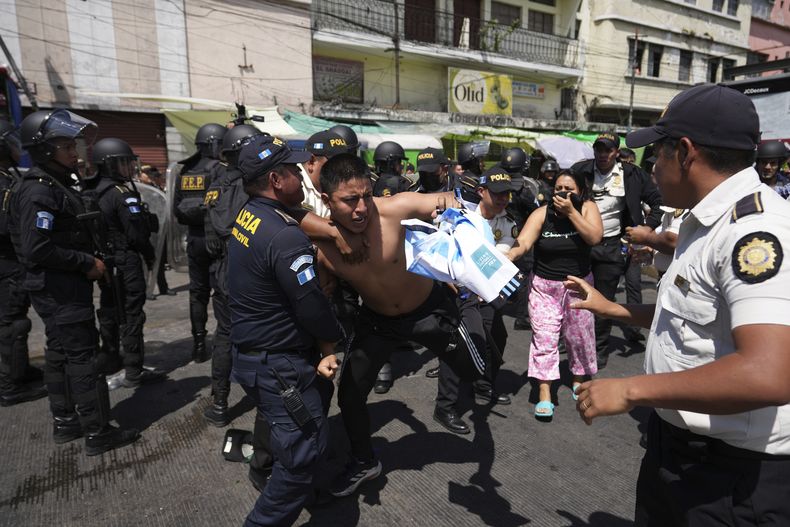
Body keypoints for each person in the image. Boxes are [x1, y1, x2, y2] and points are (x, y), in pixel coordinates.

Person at [567, 83, 790, 525]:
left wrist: (631, 390)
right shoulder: (702, 219)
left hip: (731, 475)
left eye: (658, 153)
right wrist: (613, 309)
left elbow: (769, 373)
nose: (651, 168)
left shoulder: (755, 232)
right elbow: (698, 321)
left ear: (685, 152)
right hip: (679, 450)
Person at [308, 153, 490, 496]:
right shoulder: (322, 248)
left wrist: (451, 213)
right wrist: (333, 231)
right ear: (326, 199)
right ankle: (364, 462)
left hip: (429, 313)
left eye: (366, 195)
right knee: (349, 396)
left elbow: (454, 199)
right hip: (377, 322)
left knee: (477, 370)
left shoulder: (392, 208)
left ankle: (468, 313)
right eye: (350, 201)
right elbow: (286, 219)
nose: (362, 208)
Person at [228, 134, 344, 526]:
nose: (301, 175)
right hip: (278, 363)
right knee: (302, 453)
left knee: (293, 433)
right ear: (276, 180)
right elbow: (311, 302)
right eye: (294, 170)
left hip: (255, 352)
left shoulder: (251, 214)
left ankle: (286, 478)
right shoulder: (285, 236)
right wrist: (331, 344)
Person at [10, 109, 139, 454]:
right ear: (44, 150)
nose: (74, 151)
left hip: (57, 288)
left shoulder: (54, 183)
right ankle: (98, 431)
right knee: (84, 358)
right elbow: (37, 247)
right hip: (60, 289)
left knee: (59, 354)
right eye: (65, 145)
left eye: (73, 143)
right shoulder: (39, 191)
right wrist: (86, 262)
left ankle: (66, 421)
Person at [508, 169, 602, 418]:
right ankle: (545, 392)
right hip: (544, 288)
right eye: (559, 188)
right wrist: (509, 254)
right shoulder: (542, 213)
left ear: (580, 191)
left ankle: (579, 378)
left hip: (578, 286)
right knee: (544, 338)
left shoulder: (587, 208)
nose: (563, 193)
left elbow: (594, 237)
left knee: (578, 337)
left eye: (569, 189)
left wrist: (571, 212)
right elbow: (525, 242)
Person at [434, 167, 520, 430]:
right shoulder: (459, 216)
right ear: (481, 192)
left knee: (496, 337)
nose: (502, 198)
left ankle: (483, 386)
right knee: (458, 345)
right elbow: (439, 248)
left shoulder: (507, 221)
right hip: (455, 291)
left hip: (487, 291)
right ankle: (445, 407)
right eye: (496, 193)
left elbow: (502, 256)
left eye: (506, 193)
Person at [571, 133, 662, 368]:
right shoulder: (580, 171)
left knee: (604, 300)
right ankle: (571, 340)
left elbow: (657, 203)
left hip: (611, 246)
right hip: (579, 244)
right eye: (599, 149)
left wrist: (645, 229)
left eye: (608, 150)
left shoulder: (632, 174)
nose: (603, 154)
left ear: (616, 152)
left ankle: (599, 349)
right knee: (573, 296)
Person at [83, 138, 166, 388]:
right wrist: (150, 254)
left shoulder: (90, 190)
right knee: (131, 315)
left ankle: (111, 358)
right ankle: (134, 370)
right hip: (125, 260)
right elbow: (137, 234)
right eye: (124, 162)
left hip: (104, 262)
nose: (130, 167)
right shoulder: (121, 194)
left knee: (109, 311)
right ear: (109, 165)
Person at [201, 124, 263, 427]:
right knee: (261, 332)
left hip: (225, 269)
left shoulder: (218, 183)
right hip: (247, 267)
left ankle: (221, 401)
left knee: (225, 335)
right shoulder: (250, 184)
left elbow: (208, 221)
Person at [0, 119, 46, 407]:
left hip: (9, 264)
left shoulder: (8, 177)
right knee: (12, 325)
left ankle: (20, 370)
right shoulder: (4, 182)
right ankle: (9, 385)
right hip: (7, 265)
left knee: (16, 323)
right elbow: (8, 226)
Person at [174, 123, 226, 363]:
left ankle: (198, 343)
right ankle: (223, 339)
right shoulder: (219, 169)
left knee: (197, 292)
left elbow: (177, 210)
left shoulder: (185, 171)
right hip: (214, 240)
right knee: (222, 291)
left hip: (193, 239)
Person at [501, 147, 539, 331]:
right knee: (524, 276)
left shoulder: (497, 184)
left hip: (501, 234)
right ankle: (522, 316)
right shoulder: (524, 190)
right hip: (521, 236)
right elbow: (536, 212)